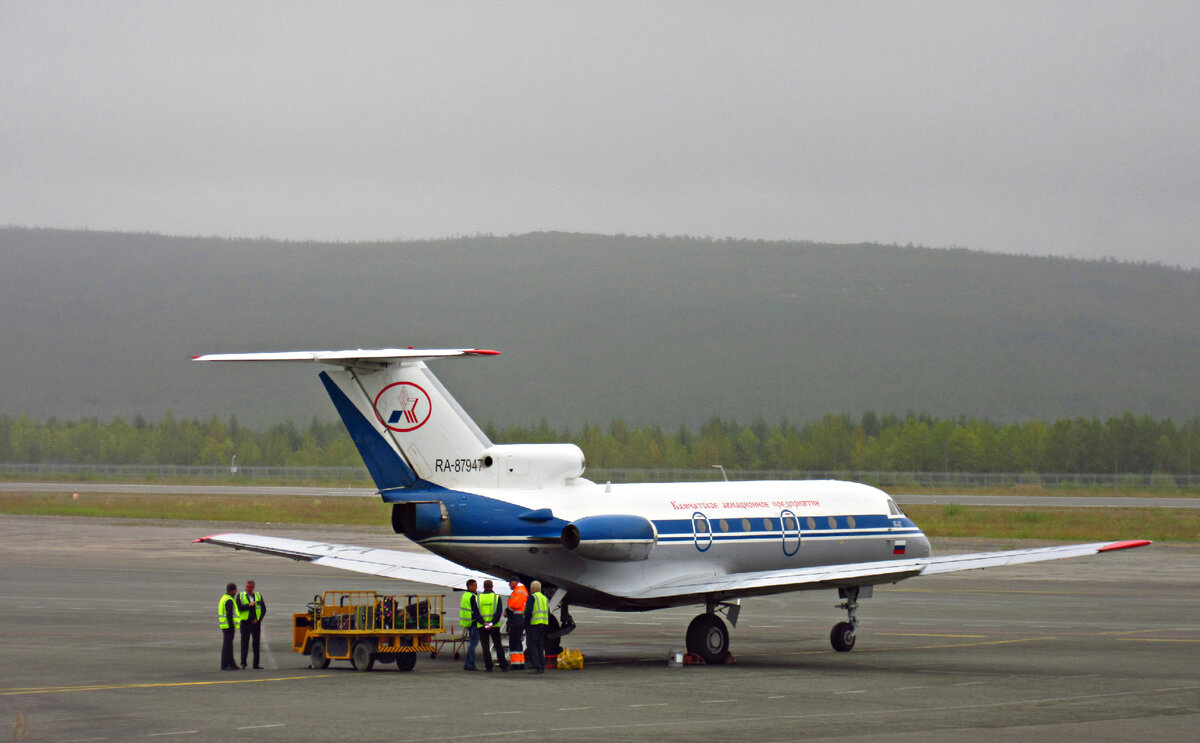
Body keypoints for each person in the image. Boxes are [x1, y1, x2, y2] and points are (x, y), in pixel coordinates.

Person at [477, 580, 509, 672]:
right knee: (498, 645)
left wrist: (484, 623)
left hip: (482, 626)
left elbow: (476, 613)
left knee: (485, 647)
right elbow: (498, 613)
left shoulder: (478, 598)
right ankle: (503, 666)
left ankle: (488, 667)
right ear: (492, 586)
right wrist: (491, 623)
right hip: (494, 626)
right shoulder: (496, 597)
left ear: (484, 587)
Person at [236, 579, 266, 669]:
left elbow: (263, 609)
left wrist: (259, 619)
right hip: (245, 623)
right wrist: (249, 605)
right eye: (247, 587)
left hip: (256, 624)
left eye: (250, 587)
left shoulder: (258, 595)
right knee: (244, 644)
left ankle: (256, 664)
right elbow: (239, 608)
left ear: (253, 588)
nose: (248, 589)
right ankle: (243, 663)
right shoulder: (240, 596)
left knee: (256, 644)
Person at [523, 580, 549, 674]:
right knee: (540, 646)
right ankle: (542, 665)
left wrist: (526, 622)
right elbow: (548, 612)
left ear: (532, 589)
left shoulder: (532, 597)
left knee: (531, 645)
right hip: (542, 625)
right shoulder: (544, 598)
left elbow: (528, 611)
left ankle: (536, 665)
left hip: (533, 625)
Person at [505, 577, 528, 670]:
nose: (509, 585)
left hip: (516, 619)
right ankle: (520, 663)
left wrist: (507, 611)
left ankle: (515, 664)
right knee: (517, 641)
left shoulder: (519, 591)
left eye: (509, 582)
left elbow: (514, 604)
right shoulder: (521, 590)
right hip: (519, 619)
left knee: (514, 641)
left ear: (515, 582)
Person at [459, 579, 481, 671]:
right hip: (474, 622)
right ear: (470, 586)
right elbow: (476, 610)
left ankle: (468, 663)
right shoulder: (472, 596)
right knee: (473, 644)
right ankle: (470, 663)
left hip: (467, 622)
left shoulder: (465, 595)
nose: (476, 587)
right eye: (475, 585)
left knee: (471, 643)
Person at [218, 582, 240, 670]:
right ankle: (225, 664)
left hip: (224, 625)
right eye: (235, 590)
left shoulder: (224, 598)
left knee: (228, 645)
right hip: (228, 626)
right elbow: (229, 614)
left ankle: (230, 663)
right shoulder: (229, 600)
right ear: (233, 590)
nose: (236, 592)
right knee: (227, 645)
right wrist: (232, 626)